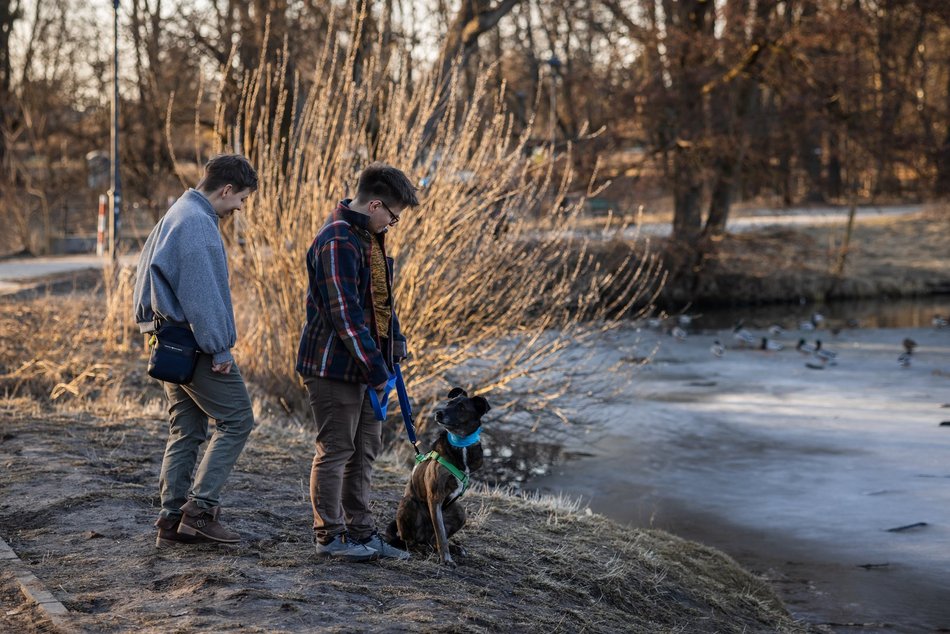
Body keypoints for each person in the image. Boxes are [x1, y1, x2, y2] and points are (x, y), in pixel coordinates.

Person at [133, 154, 258, 547]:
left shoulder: (176, 212)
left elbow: (143, 276)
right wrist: (219, 349)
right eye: (242, 199)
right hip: (195, 345)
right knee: (238, 419)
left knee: (186, 429)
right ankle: (201, 512)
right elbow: (204, 298)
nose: (240, 207)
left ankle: (171, 521)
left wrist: (149, 329)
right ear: (226, 190)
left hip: (167, 342)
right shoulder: (198, 225)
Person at [296, 163, 419, 561]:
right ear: (375, 205)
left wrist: (395, 341)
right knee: (335, 449)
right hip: (333, 367)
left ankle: (361, 533)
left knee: (365, 449)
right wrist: (378, 370)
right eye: (393, 216)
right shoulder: (337, 240)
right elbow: (345, 316)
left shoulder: (367, 235)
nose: (392, 224)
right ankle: (329, 537)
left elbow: (379, 302)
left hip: (366, 366)